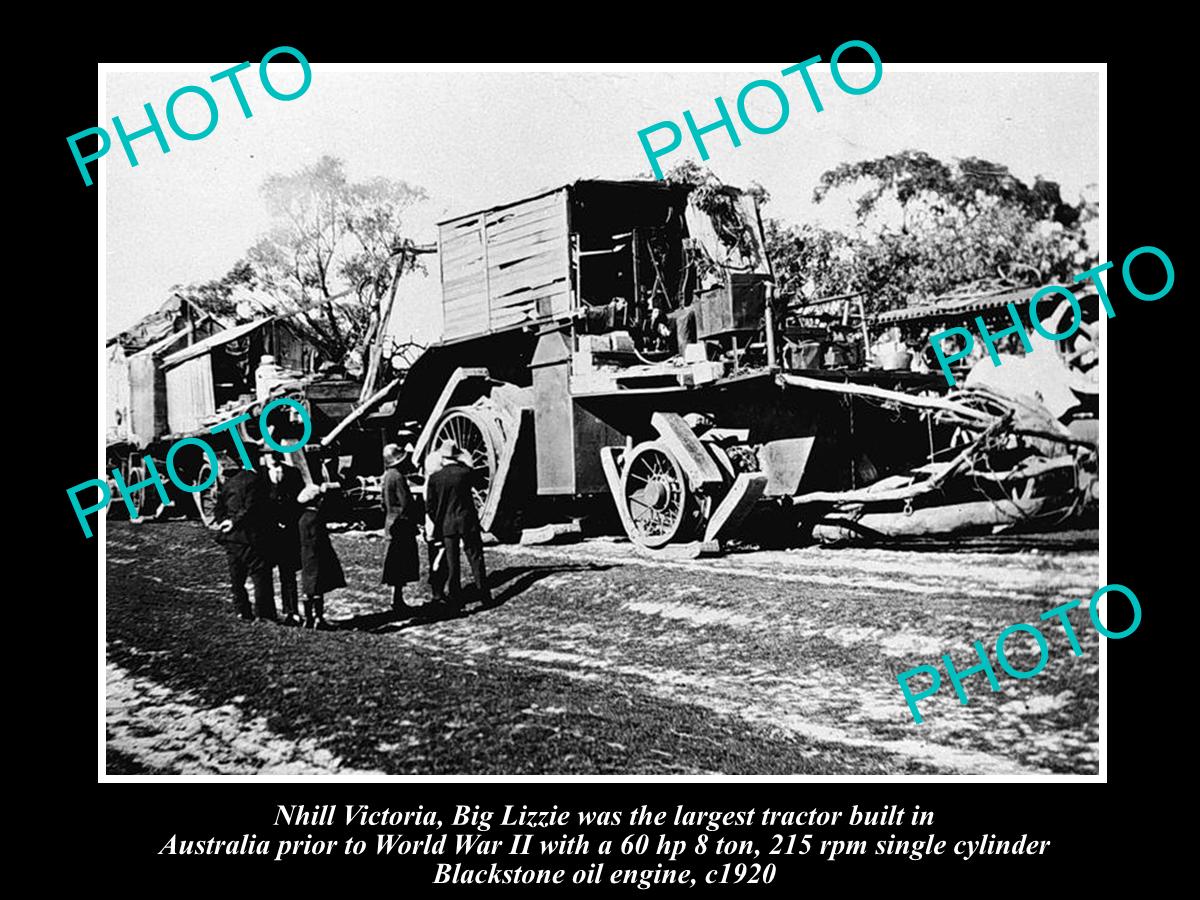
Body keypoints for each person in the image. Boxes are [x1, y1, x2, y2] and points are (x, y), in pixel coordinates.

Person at [425, 438, 492, 609]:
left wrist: (439, 521)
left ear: (442, 458)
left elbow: (430, 507)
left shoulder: (435, 478)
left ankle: (456, 597)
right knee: (476, 558)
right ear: (456, 456)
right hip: (467, 521)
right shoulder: (466, 473)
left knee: (452, 561)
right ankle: (484, 594)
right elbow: (479, 481)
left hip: (448, 524)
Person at [211, 453, 276, 622]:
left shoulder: (228, 483)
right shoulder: (255, 480)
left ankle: (242, 611)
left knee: (236, 577)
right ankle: (264, 613)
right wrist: (234, 522)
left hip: (231, 539)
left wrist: (224, 522)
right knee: (260, 574)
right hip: (250, 537)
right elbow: (251, 508)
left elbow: (218, 508)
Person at [297, 483, 345, 629]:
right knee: (318, 587)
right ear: (318, 500)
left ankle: (308, 619)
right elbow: (319, 539)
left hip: (306, 556)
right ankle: (319, 618)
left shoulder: (302, 518)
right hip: (317, 555)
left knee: (308, 588)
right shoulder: (316, 517)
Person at [263, 452, 304, 626]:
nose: (270, 457)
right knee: (265, 574)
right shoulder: (259, 475)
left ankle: (291, 611)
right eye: (266, 454)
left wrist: (289, 520)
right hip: (269, 533)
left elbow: (299, 499)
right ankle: (269, 612)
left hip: (289, 531)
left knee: (288, 574)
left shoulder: (293, 473)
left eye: (272, 453)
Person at [380, 443, 420, 612]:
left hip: (391, 523)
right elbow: (406, 503)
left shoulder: (387, 476)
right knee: (401, 563)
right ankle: (397, 599)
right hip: (402, 525)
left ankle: (396, 598)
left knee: (394, 562)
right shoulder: (398, 477)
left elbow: (383, 503)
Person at [422, 446, 448, 604]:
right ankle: (437, 593)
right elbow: (432, 508)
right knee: (439, 560)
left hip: (431, 526)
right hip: (437, 526)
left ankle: (437, 591)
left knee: (435, 558)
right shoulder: (434, 483)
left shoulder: (428, 482)